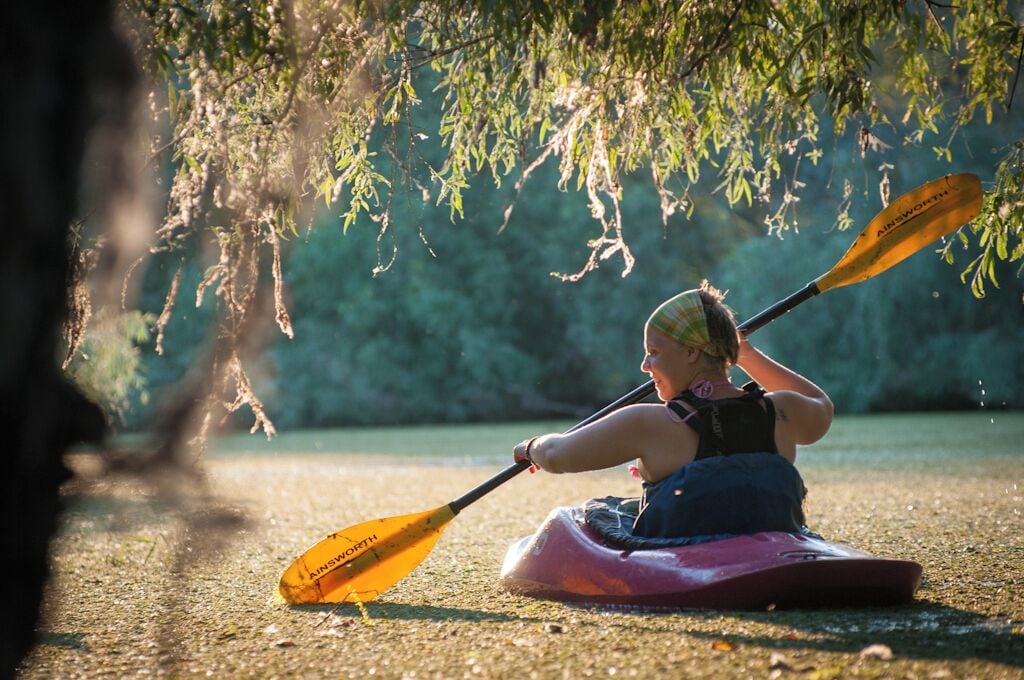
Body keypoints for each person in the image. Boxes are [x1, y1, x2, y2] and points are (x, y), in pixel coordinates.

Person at [513, 281, 834, 539]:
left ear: (692, 352)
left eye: (654, 352)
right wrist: (746, 355)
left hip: (690, 567)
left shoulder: (648, 422)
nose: (644, 365)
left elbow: (556, 455)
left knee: (602, 511)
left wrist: (529, 447)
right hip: (773, 553)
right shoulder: (782, 411)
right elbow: (821, 405)